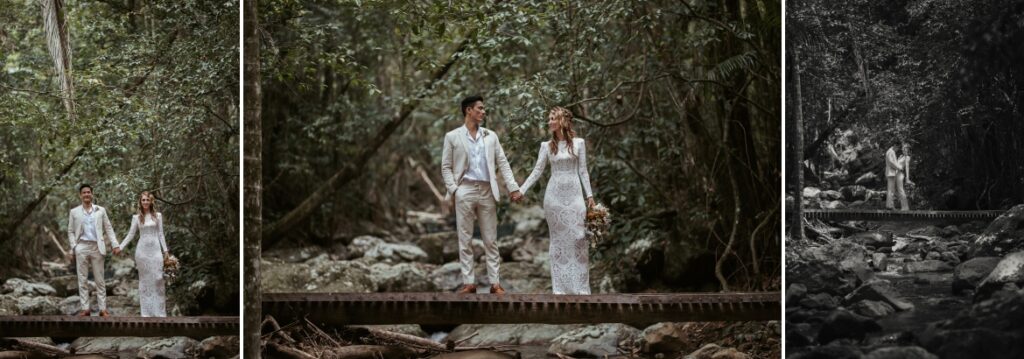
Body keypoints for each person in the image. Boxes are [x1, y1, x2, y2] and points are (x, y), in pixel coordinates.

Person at [440, 95, 522, 294]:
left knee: (490, 239)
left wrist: (513, 187)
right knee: (465, 238)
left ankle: (495, 283)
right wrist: (455, 190)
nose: (484, 112)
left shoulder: (490, 135)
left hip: (487, 190)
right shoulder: (452, 136)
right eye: (480, 108)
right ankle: (469, 283)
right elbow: (446, 167)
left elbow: (502, 162)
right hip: (464, 190)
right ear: (469, 110)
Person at [519, 106, 596, 295]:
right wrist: (521, 190)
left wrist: (590, 196)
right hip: (554, 199)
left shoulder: (579, 143)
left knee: (579, 238)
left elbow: (583, 171)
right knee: (559, 242)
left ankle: (580, 288)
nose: (549, 122)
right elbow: (537, 171)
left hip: (575, 196)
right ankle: (560, 289)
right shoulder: (546, 146)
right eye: (549, 119)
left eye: (552, 118)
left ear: (562, 120)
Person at [66, 184, 120, 316]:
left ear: (92, 194)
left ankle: (103, 309)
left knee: (100, 279)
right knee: (82, 279)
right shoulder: (74, 212)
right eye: (84, 192)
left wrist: (115, 244)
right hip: (82, 246)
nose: (86, 194)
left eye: (88, 192)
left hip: (97, 246)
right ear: (80, 195)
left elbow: (108, 228)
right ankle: (85, 309)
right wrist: (74, 247)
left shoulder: (100, 210)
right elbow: (70, 231)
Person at [118, 191, 170, 317]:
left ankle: (160, 313)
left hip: (156, 250)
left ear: (151, 201)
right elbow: (130, 235)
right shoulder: (136, 218)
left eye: (147, 200)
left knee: (158, 279)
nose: (145, 202)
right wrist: (120, 247)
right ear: (140, 202)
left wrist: (166, 251)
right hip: (142, 253)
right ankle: (146, 313)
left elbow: (160, 234)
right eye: (143, 200)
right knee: (145, 281)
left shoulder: (158, 216)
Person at [885, 141, 909, 210]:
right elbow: (891, 162)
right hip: (891, 173)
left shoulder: (891, 151)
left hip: (892, 173)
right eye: (898, 148)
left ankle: (890, 205)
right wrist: (898, 167)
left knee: (891, 189)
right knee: (891, 190)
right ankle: (890, 206)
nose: (898, 149)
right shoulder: (891, 152)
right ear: (895, 145)